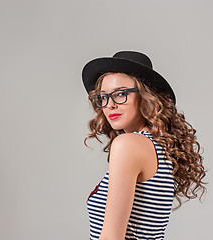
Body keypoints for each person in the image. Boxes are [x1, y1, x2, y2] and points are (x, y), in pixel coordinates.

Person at [81, 51, 206, 240]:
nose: (110, 105)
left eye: (120, 94)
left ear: (146, 96)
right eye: (103, 97)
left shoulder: (128, 145)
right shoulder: (157, 147)